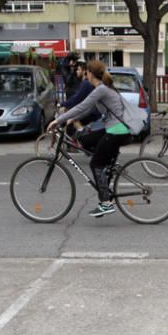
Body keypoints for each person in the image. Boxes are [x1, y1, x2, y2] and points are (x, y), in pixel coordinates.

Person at [45, 59, 132, 218]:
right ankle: (107, 167)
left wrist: (58, 120)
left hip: (116, 131)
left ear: (90, 74)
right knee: (86, 139)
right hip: (115, 130)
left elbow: (82, 105)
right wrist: (72, 119)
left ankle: (106, 203)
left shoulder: (101, 89)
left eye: (86, 73)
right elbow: (89, 109)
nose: (85, 76)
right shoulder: (103, 89)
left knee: (95, 164)